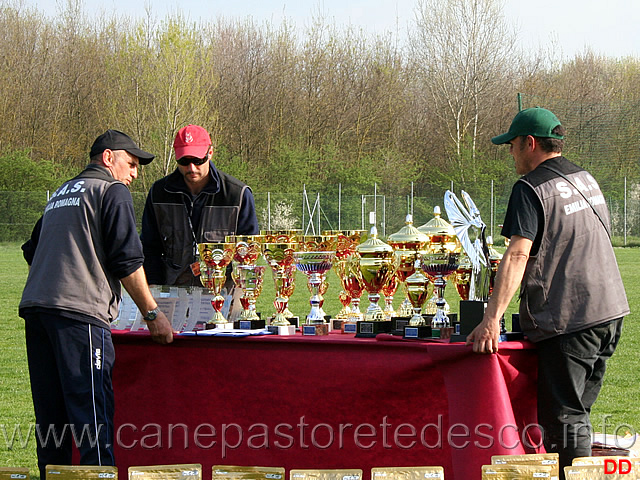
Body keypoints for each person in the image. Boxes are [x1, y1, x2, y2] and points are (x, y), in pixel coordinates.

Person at [466, 107, 629, 476]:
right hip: (610, 311)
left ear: (530, 143)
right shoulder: (584, 177)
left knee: (566, 422)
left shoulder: (530, 187)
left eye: (511, 145)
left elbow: (519, 252)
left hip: (571, 318)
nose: (510, 153)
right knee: (577, 419)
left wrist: (491, 319)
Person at [19, 129, 174, 478]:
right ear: (108, 157)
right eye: (131, 163)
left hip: (37, 309)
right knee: (93, 419)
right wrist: (152, 314)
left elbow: (32, 251)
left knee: (51, 422)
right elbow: (127, 261)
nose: (134, 173)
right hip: (79, 316)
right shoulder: (110, 189)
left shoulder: (61, 193)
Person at [140, 124, 259, 317]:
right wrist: (153, 292)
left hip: (224, 299)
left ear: (210, 153)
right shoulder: (159, 193)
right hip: (172, 299)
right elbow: (149, 247)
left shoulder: (238, 195)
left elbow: (247, 255)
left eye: (198, 159)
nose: (191, 168)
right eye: (184, 161)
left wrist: (241, 300)